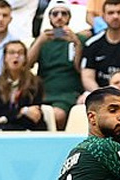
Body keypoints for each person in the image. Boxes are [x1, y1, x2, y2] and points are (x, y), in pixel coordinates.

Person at [28, 0, 85, 130]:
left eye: (64, 14)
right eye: (55, 14)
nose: (59, 17)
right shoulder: (42, 40)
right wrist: (39, 41)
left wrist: (76, 43)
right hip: (44, 91)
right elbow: (27, 66)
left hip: (68, 92)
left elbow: (80, 69)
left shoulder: (80, 39)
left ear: (69, 17)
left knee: (57, 115)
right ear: (49, 18)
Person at [81, 0, 120, 94]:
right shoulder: (92, 44)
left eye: (119, 12)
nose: (115, 16)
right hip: (99, 94)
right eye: (111, 13)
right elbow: (87, 77)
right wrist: (102, 96)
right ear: (103, 16)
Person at [0, 41, 46, 131]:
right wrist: (22, 111)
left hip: (29, 128)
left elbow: (34, 115)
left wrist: (5, 118)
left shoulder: (35, 83)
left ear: (25, 59)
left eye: (20, 53)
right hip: (5, 126)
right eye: (11, 53)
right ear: (5, 58)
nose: (16, 56)